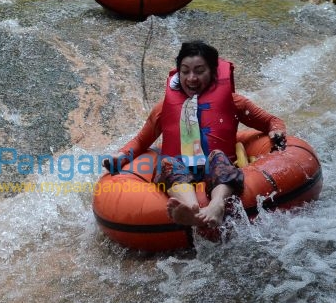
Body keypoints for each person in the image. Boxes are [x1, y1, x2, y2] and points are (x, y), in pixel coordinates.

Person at [104, 41, 287, 228]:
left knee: (217, 156)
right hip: (179, 171)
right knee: (168, 163)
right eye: (185, 71)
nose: (191, 78)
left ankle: (217, 205)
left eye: (199, 71)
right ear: (178, 73)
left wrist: (276, 131)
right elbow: (141, 141)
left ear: (213, 72)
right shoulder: (163, 109)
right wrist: (122, 155)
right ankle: (191, 209)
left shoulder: (234, 103)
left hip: (216, 169)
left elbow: (270, 121)